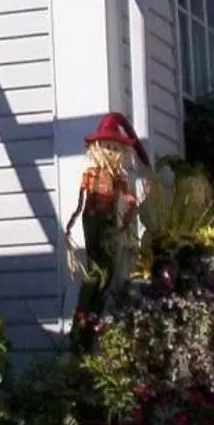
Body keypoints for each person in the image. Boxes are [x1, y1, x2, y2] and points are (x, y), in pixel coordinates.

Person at [64, 113, 149, 340]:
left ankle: (93, 318)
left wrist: (131, 210)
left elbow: (127, 199)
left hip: (111, 223)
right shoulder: (91, 174)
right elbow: (81, 201)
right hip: (93, 220)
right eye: (107, 146)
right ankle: (82, 322)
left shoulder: (119, 177)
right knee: (96, 270)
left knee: (108, 272)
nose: (111, 151)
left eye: (115, 147)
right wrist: (70, 226)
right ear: (97, 147)